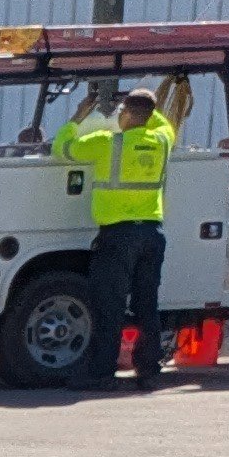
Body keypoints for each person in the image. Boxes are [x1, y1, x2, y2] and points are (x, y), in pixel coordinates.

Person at [53, 79, 179, 385]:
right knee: (147, 305)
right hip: (152, 233)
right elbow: (160, 118)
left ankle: (101, 374)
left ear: (124, 113)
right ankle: (147, 370)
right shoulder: (162, 140)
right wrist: (143, 100)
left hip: (118, 236)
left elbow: (62, 149)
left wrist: (80, 115)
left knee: (109, 306)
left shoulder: (107, 143)